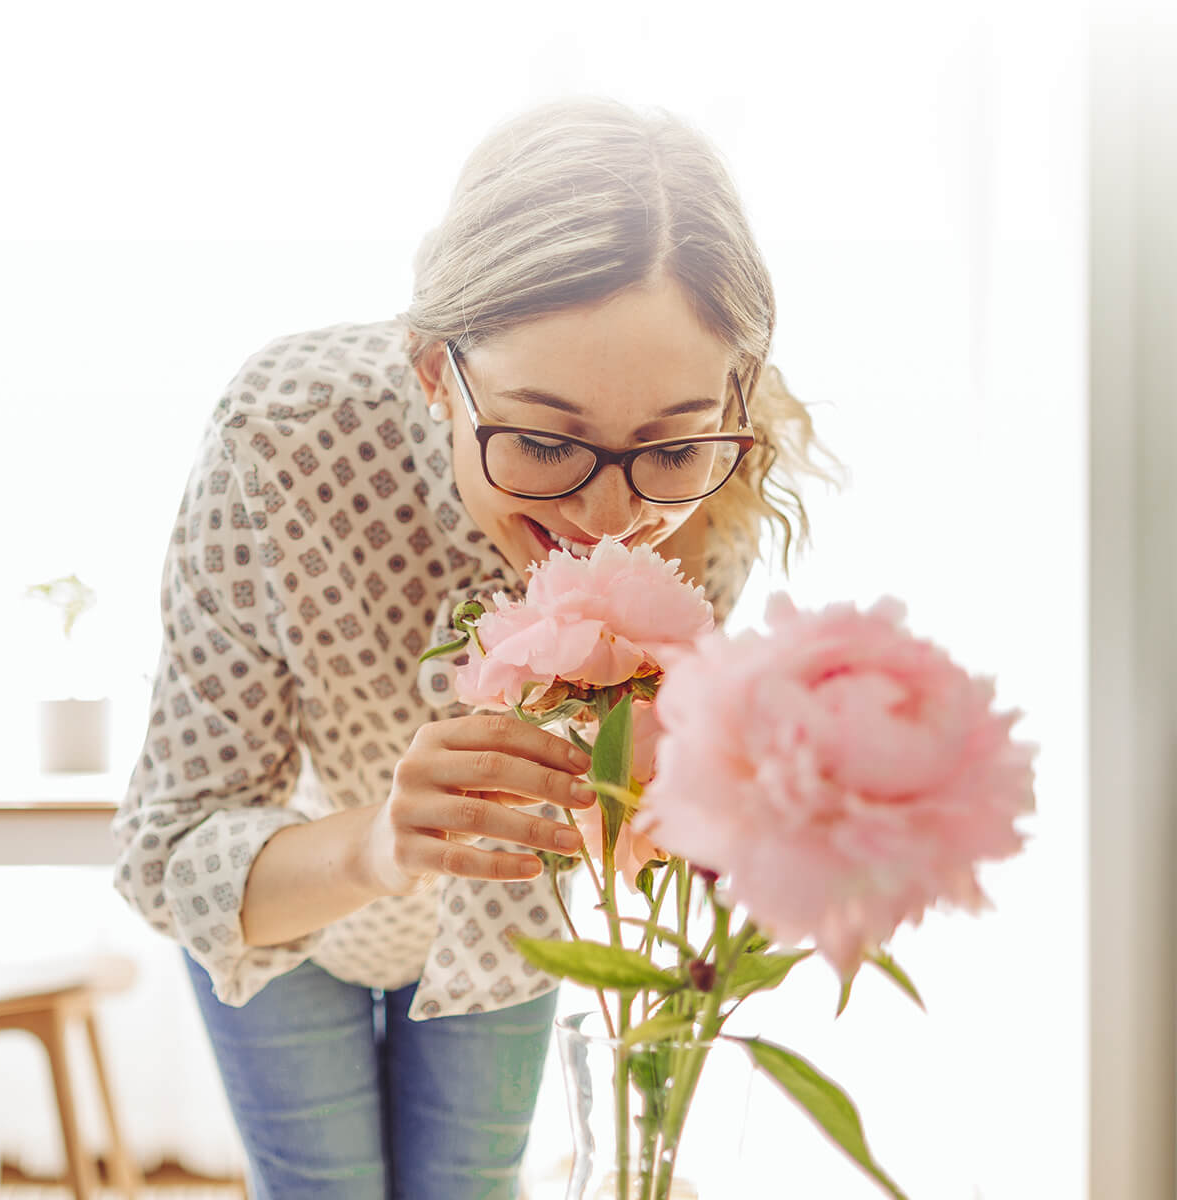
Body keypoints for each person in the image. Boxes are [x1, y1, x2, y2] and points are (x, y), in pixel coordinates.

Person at [109, 96, 838, 1200]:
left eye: (670, 442)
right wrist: (379, 847)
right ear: (431, 369)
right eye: (544, 440)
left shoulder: (701, 507)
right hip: (290, 906)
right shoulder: (283, 437)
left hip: (506, 913)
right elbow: (170, 851)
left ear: (728, 400)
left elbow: (634, 816)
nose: (605, 515)